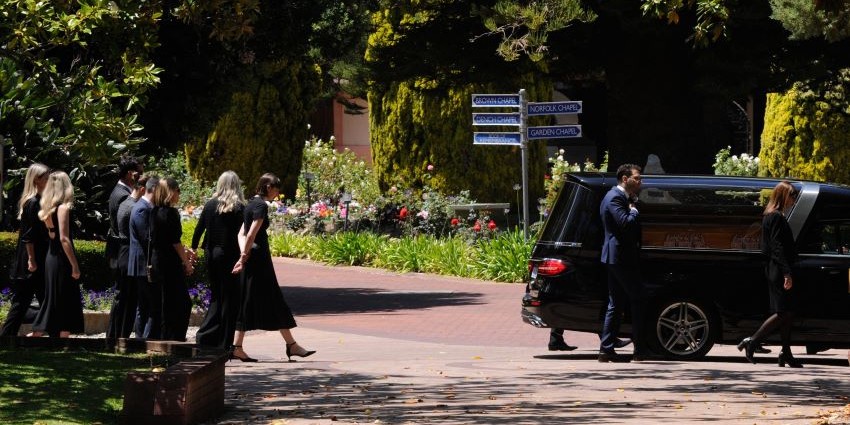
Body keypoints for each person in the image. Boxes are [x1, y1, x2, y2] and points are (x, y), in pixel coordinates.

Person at [229, 173, 315, 362]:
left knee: (250, 301)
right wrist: (243, 257)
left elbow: (241, 233)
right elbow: (251, 234)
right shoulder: (261, 206)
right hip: (259, 261)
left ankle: (240, 347)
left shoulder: (250, 204)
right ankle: (290, 345)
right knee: (272, 299)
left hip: (252, 259)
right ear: (268, 187)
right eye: (276, 189)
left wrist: (243, 254)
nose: (277, 193)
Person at [738, 181, 802, 367]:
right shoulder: (775, 217)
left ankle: (786, 353)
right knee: (782, 312)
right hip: (778, 269)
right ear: (783, 196)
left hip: (777, 268)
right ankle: (752, 341)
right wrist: (786, 273)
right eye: (792, 195)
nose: (794, 199)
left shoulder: (773, 216)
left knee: (788, 312)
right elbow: (777, 247)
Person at [192, 171, 245, 351]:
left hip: (211, 252)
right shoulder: (238, 208)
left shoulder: (210, 204)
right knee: (230, 297)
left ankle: (207, 334)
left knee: (216, 294)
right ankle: (224, 340)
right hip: (229, 254)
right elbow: (243, 234)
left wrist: (194, 249)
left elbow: (199, 229)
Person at [598, 164, 645, 362]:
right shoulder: (615, 197)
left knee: (616, 303)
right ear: (625, 179)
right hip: (620, 257)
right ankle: (640, 349)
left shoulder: (621, 197)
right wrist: (634, 211)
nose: (640, 181)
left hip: (616, 257)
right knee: (638, 299)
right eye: (637, 178)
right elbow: (625, 223)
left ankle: (606, 349)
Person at [29, 171, 84, 337]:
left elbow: (53, 236)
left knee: (56, 298)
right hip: (61, 258)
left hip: (52, 257)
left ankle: (54, 336)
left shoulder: (48, 208)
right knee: (64, 297)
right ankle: (46, 333)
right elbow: (64, 239)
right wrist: (75, 265)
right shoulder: (63, 208)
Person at [1, 163, 51, 336]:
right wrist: (31, 259)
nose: (49, 180)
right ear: (36, 180)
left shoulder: (35, 201)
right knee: (22, 302)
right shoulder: (33, 203)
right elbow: (29, 236)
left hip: (35, 260)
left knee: (39, 299)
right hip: (32, 262)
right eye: (46, 177)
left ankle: (52, 335)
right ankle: (7, 337)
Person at [150, 177, 194, 341]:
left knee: (164, 302)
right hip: (170, 262)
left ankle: (165, 336)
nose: (179, 194)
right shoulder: (171, 213)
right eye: (178, 191)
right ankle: (176, 337)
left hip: (157, 260)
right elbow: (175, 242)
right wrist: (187, 262)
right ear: (171, 192)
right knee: (181, 302)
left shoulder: (154, 211)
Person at [106, 174, 149, 341]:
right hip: (128, 251)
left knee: (123, 297)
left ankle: (116, 335)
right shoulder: (134, 207)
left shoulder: (126, 203)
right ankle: (120, 335)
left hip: (122, 251)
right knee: (128, 298)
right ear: (143, 189)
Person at [128, 175, 160, 339]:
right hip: (143, 265)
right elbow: (147, 238)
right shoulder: (142, 208)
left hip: (142, 264)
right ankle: (146, 339)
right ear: (154, 189)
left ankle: (141, 339)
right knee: (150, 305)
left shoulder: (145, 207)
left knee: (144, 305)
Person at [107, 156, 143, 281]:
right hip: (121, 251)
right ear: (129, 174)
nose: (141, 177)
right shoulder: (123, 196)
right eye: (139, 173)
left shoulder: (121, 191)